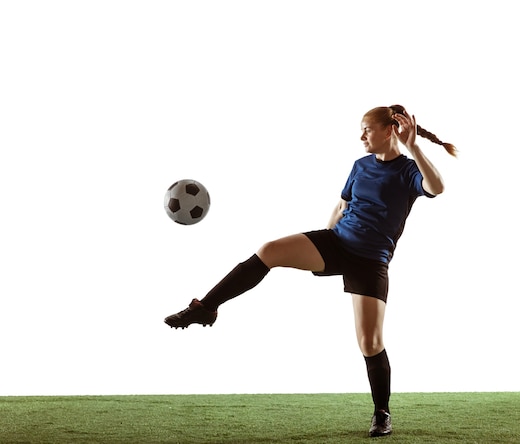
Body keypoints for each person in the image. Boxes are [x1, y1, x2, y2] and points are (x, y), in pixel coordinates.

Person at [164, 104, 457, 438]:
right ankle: (205, 308)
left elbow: (437, 188)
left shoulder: (407, 170)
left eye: (367, 129)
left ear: (389, 130)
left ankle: (382, 413)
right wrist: (322, 242)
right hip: (337, 243)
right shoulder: (360, 165)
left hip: (371, 260)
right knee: (270, 250)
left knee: (370, 341)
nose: (362, 135)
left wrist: (414, 146)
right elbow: (343, 204)